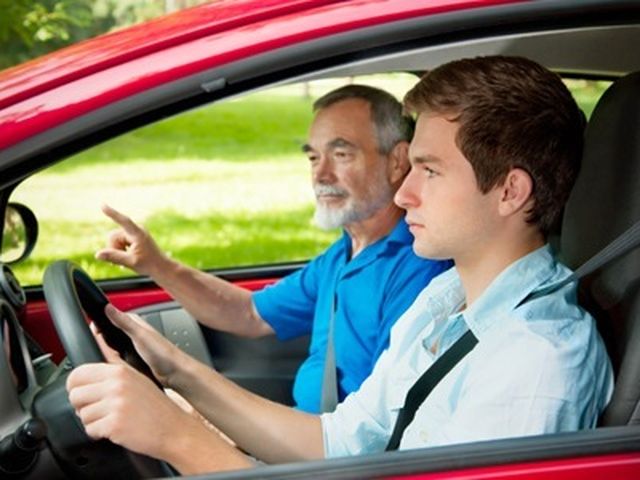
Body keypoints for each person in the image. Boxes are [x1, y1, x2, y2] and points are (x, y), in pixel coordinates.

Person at [66, 56, 614, 475]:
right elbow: (338, 441)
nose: (406, 195)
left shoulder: (534, 363)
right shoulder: (447, 301)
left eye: (430, 170)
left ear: (509, 191)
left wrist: (178, 438)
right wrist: (174, 370)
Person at [95, 85, 452, 413]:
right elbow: (249, 314)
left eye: (341, 154)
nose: (321, 175)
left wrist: (194, 407)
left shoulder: (419, 267)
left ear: (397, 161)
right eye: (313, 158)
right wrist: (157, 264)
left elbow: (377, 427)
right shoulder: (344, 253)